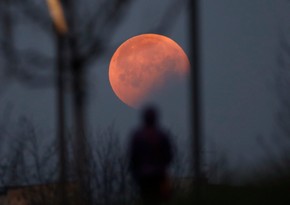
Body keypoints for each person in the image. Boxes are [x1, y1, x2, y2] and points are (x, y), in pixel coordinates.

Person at [128, 105, 173, 203]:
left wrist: (135, 173)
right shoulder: (162, 136)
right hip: (158, 175)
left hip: (144, 177)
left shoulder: (138, 136)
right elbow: (169, 156)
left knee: (147, 199)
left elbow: (133, 158)